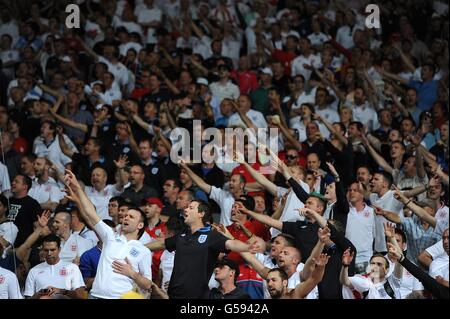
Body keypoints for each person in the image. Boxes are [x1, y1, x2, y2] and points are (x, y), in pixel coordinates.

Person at [64, 170, 152, 299]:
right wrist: (77, 187)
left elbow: (148, 284)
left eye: (131, 217)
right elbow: (90, 213)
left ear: (140, 225)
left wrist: (132, 273)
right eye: (125, 216)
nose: (126, 218)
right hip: (95, 296)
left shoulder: (143, 251)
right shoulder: (110, 236)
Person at [146, 199, 258, 299]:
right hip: (174, 294)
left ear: (201, 214)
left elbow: (231, 244)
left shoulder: (211, 235)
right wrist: (140, 247)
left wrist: (247, 246)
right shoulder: (182, 235)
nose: (186, 210)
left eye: (191, 208)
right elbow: (162, 244)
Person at [23, 235, 86, 299]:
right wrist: (39, 294)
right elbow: (28, 297)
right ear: (42, 250)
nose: (49, 253)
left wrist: (61, 291)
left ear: (59, 249)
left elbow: (81, 295)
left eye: (52, 250)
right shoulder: (34, 270)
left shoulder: (72, 267)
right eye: (46, 250)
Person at [8, 174, 42, 248]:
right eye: (13, 181)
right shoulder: (7, 201)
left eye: (16, 182)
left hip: (21, 248)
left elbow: (38, 228)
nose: (13, 183)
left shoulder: (32, 204)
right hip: (5, 246)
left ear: (25, 187)